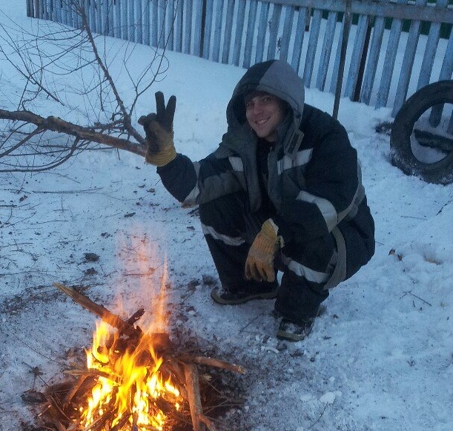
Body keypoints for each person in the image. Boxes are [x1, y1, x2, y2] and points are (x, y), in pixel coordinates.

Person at [138, 59, 375, 341]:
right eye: (250, 104)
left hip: (342, 234)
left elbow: (330, 201)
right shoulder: (244, 143)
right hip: (279, 227)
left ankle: (296, 311)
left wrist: (276, 230)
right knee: (216, 205)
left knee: (315, 240)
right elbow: (196, 187)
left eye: (266, 100)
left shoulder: (325, 135)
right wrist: (166, 158)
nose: (256, 111)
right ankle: (250, 285)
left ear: (287, 101)